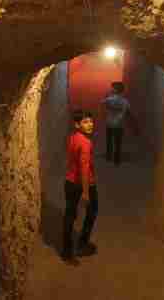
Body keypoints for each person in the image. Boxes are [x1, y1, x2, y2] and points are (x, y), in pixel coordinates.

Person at [62, 110, 99, 265]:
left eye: (90, 121)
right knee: (92, 211)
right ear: (77, 124)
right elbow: (84, 168)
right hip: (84, 184)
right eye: (85, 122)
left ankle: (67, 251)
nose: (89, 124)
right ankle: (82, 243)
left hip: (69, 182)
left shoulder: (73, 137)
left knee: (70, 216)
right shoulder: (86, 142)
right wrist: (85, 191)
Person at [102, 81, 136, 165]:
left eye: (112, 88)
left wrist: (107, 109)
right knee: (118, 142)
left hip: (109, 123)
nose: (111, 89)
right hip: (119, 124)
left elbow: (102, 103)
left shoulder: (109, 99)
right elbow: (128, 112)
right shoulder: (125, 101)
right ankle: (117, 159)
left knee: (109, 141)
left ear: (115, 90)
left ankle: (109, 156)